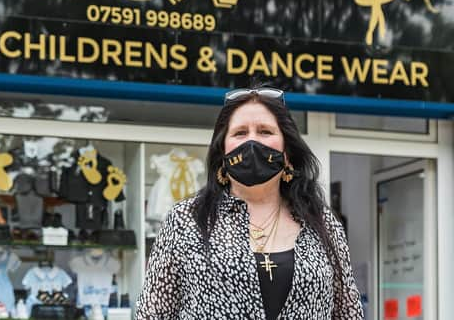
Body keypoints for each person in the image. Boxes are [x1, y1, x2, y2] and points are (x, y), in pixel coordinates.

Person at [136, 86, 364, 319]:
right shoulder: (186, 220)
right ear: (222, 151)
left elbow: (349, 313)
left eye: (265, 131)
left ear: (287, 153)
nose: (252, 142)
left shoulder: (322, 223)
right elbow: (152, 314)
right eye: (240, 133)